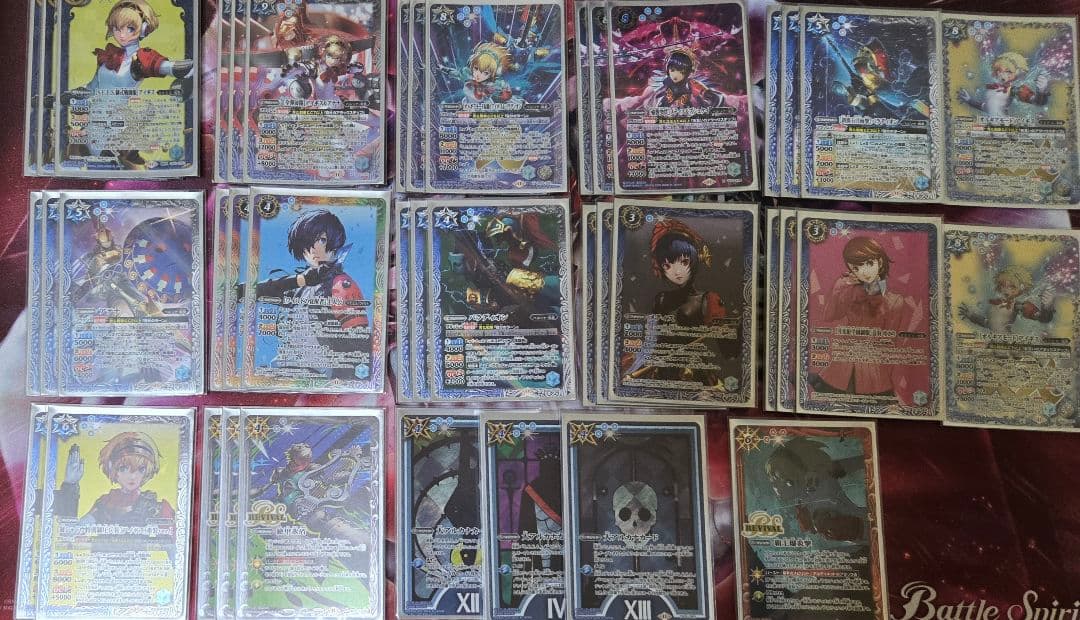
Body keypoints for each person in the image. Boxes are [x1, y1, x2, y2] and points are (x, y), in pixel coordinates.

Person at [78, 0, 194, 167]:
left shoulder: (140, 59)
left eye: (130, 28)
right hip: (93, 124)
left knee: (110, 166)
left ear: (144, 28)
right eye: (117, 28)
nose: (122, 35)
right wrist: (75, 95)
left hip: (116, 128)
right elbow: (92, 87)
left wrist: (180, 68)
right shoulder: (107, 58)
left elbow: (162, 66)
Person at [808, 236, 912, 397]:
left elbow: (890, 343)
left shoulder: (895, 301)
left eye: (869, 263)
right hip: (841, 368)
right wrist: (840, 285)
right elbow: (829, 316)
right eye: (856, 268)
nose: (863, 272)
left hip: (873, 372)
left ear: (880, 262)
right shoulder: (850, 292)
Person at [53, 433, 175, 525]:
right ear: (112, 467)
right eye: (123, 468)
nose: (132, 476)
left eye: (140, 469)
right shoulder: (105, 503)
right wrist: (70, 485)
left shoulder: (159, 508)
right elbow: (73, 531)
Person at [959, 265, 1055, 333]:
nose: (1006, 289)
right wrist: (971, 316)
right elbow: (988, 323)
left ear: (1021, 288)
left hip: (1008, 342)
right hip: (994, 343)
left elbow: (1043, 318)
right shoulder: (996, 304)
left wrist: (1047, 308)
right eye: (1003, 285)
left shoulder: (1017, 305)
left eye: (1012, 286)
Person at [959, 51, 1050, 116]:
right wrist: (969, 101)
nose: (1001, 74)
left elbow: (1037, 102)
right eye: (999, 70)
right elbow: (986, 107)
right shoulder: (992, 88)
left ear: (1016, 74)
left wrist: (1042, 91)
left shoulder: (1012, 90)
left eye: (1008, 71)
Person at [656, 49, 722, 108]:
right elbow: (663, 101)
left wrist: (710, 107)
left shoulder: (691, 83)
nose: (675, 75)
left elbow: (714, 97)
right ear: (668, 69)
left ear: (687, 73)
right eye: (672, 70)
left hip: (689, 110)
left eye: (681, 72)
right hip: (671, 109)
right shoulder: (667, 81)